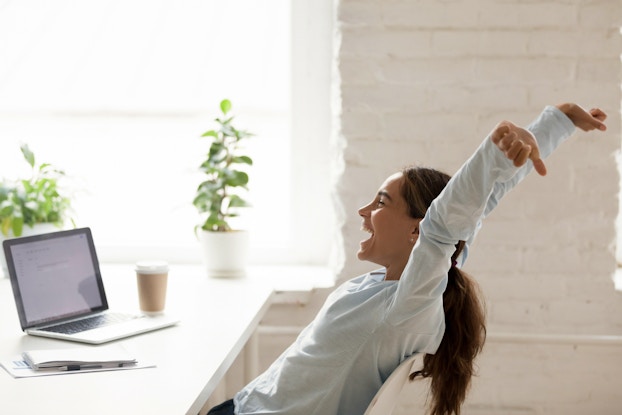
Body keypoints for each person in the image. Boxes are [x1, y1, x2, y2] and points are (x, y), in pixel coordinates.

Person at [207, 103, 607, 415]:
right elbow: (479, 207)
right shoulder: (406, 287)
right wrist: (559, 122)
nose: (364, 211)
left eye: (381, 202)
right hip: (245, 404)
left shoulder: (407, 308)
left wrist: (493, 150)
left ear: (418, 230)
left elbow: (447, 223)